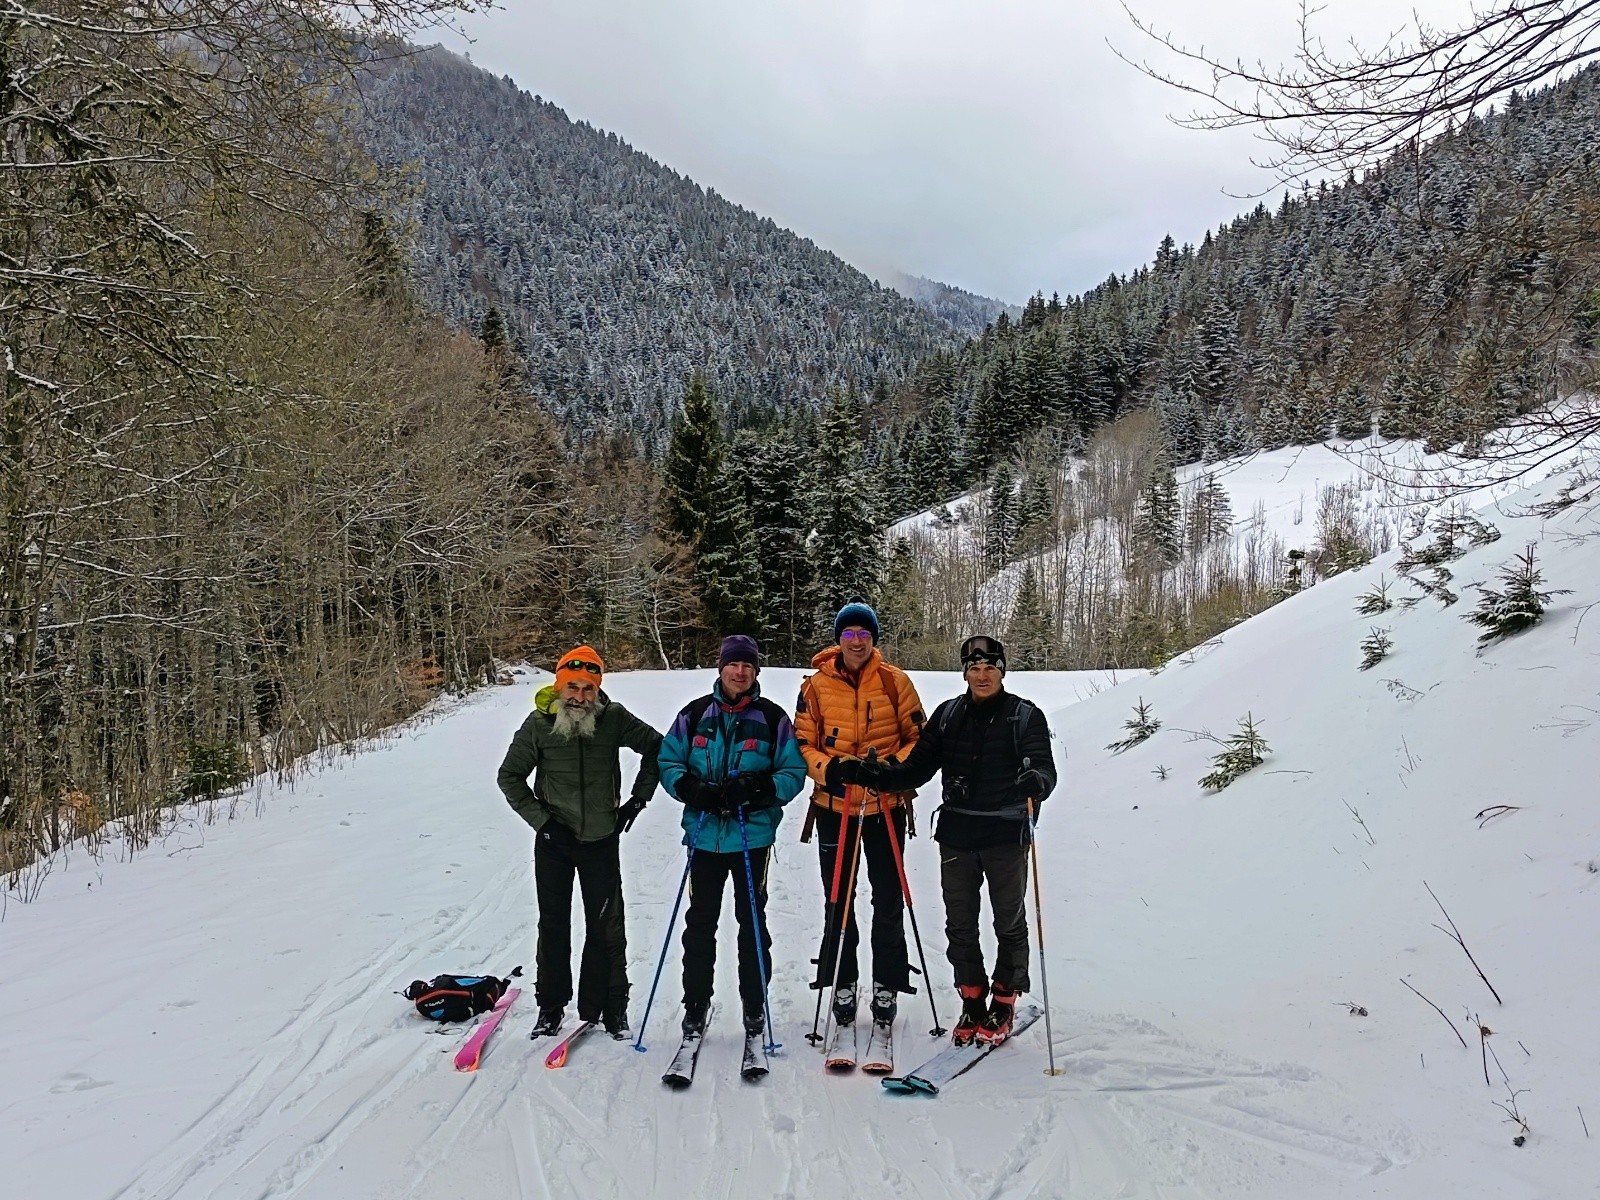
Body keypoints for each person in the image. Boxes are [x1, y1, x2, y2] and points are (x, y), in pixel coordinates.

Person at [837, 634, 1055, 1046]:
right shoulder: (949, 715)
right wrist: (876, 775)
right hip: (957, 833)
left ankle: (1004, 999)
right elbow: (917, 769)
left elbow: (1045, 768)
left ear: (1002, 672)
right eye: (974, 669)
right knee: (960, 923)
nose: (982, 676)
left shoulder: (1025, 716)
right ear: (965, 674)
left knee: (1008, 920)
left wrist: (1037, 781)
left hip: (1006, 833)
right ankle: (971, 999)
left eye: (990, 668)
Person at [497, 645, 662, 1039]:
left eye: (588, 688)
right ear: (559, 685)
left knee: (607, 926)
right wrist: (542, 822)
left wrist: (638, 798)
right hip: (554, 842)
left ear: (598, 689)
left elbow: (658, 748)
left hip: (601, 841)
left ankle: (610, 1007)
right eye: (572, 687)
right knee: (554, 925)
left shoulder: (614, 718)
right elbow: (509, 777)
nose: (580, 696)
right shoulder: (539, 724)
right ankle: (550, 1008)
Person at [658, 634, 808, 1041]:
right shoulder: (693, 714)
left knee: (752, 922)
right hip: (704, 835)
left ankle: (754, 1002)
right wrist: (690, 788)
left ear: (755, 671)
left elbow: (793, 772)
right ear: (721, 668)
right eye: (733, 665)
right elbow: (668, 760)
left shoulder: (773, 718)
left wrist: (759, 788)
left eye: (747, 666)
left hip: (750, 837)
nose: (740, 672)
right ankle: (696, 1003)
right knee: (700, 922)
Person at [794, 602, 926, 1032]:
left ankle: (888, 981)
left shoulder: (895, 681)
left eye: (863, 634)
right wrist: (831, 769)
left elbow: (917, 738)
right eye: (849, 634)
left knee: (888, 898)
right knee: (839, 900)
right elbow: (802, 743)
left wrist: (890, 770)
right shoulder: (815, 686)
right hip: (835, 808)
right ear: (839, 639)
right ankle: (842, 979)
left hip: (885, 806)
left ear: (873, 639)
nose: (856, 641)